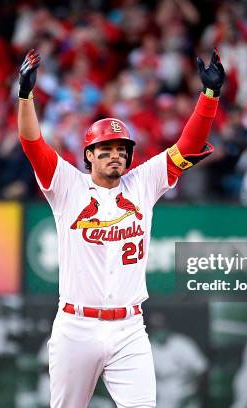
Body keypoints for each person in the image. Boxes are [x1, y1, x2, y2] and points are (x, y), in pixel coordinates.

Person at [16, 48, 225, 407]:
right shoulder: (67, 184)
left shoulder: (143, 182)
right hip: (76, 327)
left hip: (129, 328)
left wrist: (209, 97)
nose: (116, 154)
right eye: (106, 148)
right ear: (89, 155)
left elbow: (188, 147)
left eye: (122, 149)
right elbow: (32, 144)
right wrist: (25, 96)